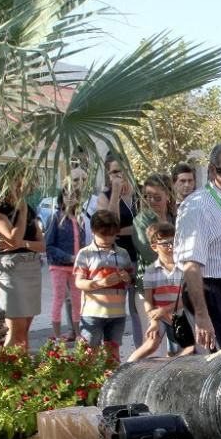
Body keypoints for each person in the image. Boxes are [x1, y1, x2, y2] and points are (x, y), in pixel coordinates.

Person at [174, 140, 221, 352]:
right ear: (212, 170)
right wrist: (201, 315)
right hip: (207, 295)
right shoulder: (199, 207)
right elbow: (191, 265)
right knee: (212, 367)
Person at [0, 164, 44, 350]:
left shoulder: (31, 208)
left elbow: (42, 245)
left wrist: (22, 244)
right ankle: (6, 372)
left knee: (24, 331)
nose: (24, 187)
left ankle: (21, 372)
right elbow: (13, 237)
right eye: (20, 182)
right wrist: (23, 212)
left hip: (32, 268)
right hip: (12, 270)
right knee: (16, 331)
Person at [96, 153, 143, 348]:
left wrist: (126, 230)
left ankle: (142, 349)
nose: (117, 176)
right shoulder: (104, 196)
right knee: (113, 309)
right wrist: (115, 194)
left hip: (137, 257)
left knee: (137, 308)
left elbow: (145, 225)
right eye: (113, 172)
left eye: (120, 172)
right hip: (114, 260)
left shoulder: (139, 193)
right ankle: (110, 352)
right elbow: (110, 225)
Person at [127, 222, 193, 362]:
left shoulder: (184, 267)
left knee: (188, 349)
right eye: (165, 243)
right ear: (154, 247)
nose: (170, 246)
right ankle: (127, 368)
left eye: (173, 242)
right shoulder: (151, 271)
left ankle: (174, 370)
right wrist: (154, 320)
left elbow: (188, 297)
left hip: (182, 315)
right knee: (151, 342)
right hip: (161, 318)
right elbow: (148, 301)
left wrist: (164, 310)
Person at [73, 209, 134, 358]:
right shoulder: (85, 253)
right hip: (92, 313)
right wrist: (100, 283)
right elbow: (79, 283)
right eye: (103, 234)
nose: (107, 238)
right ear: (93, 231)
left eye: (112, 235)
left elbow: (131, 279)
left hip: (117, 314)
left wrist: (127, 278)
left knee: (112, 353)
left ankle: (111, 380)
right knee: (89, 353)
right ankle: (89, 381)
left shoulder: (122, 253)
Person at [45, 180, 90, 341]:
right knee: (59, 298)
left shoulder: (80, 219)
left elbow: (83, 242)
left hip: (76, 267)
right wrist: (68, 257)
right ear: (61, 197)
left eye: (74, 195)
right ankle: (57, 336)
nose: (70, 198)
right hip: (59, 265)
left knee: (77, 300)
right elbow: (49, 245)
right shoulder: (56, 218)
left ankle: (78, 334)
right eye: (66, 194)